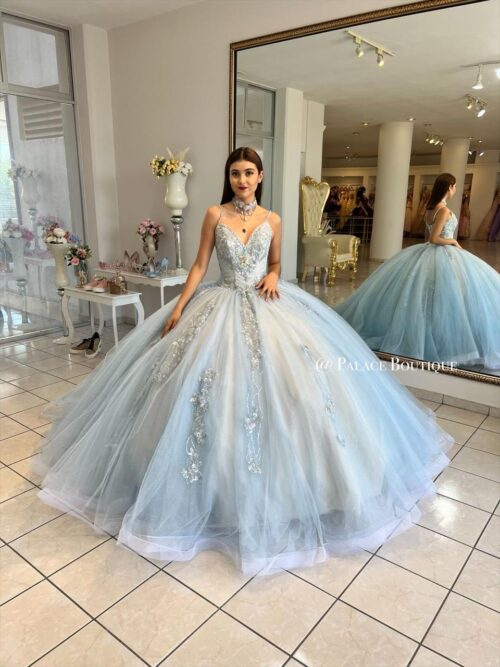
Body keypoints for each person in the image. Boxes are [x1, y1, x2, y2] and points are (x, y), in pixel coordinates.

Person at [36, 148, 453, 576]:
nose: (242, 179)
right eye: (235, 173)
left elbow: (276, 262)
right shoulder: (214, 214)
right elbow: (200, 265)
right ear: (229, 177)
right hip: (219, 303)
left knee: (298, 392)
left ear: (260, 176)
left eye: (249, 172)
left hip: (268, 304)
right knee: (193, 389)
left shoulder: (273, 219)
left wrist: (273, 274)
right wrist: (179, 306)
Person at [335, 173, 500, 369]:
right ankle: (441, 337)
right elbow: (434, 238)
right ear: (449, 187)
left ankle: (430, 331)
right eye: (455, 186)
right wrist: (453, 241)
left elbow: (428, 237)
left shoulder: (430, 210)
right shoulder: (443, 210)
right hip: (443, 252)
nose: (455, 190)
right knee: (448, 296)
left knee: (431, 294)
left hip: (431, 253)